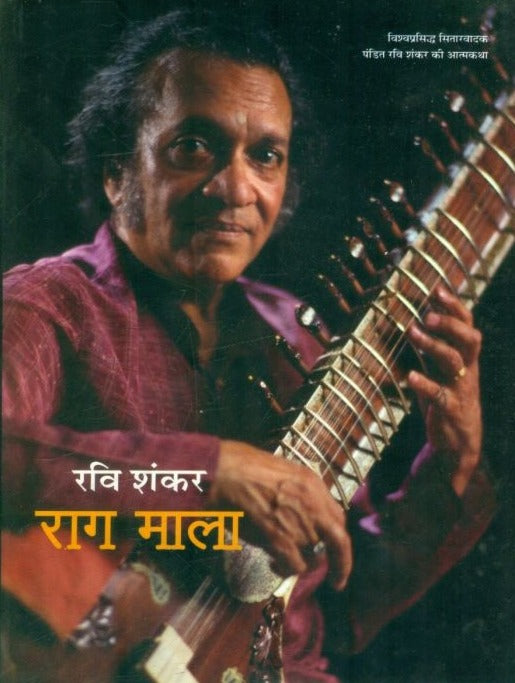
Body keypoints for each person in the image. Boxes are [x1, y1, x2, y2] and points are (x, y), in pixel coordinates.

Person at [2, 9, 496, 683]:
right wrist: (207, 476)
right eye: (193, 146)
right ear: (117, 171)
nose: (235, 189)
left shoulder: (297, 333)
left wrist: (451, 463)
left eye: (265, 156)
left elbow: (335, 613)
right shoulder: (48, 309)